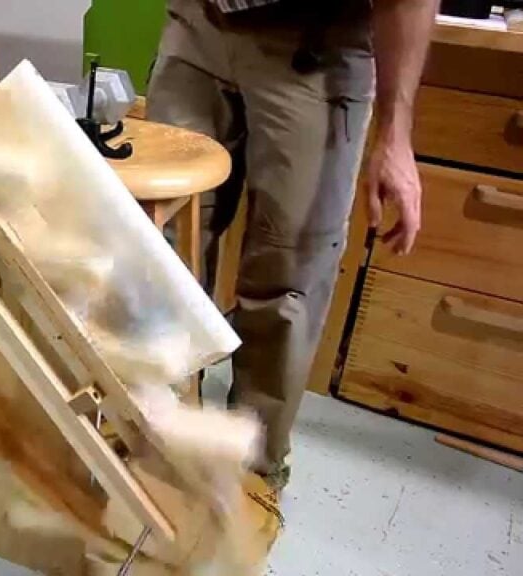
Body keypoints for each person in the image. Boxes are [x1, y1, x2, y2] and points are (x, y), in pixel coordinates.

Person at [145, 0, 437, 490]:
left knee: (286, 279)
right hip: (198, 24)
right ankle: (153, 445)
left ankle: (252, 477)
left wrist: (395, 135)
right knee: (160, 255)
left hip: (312, 47)